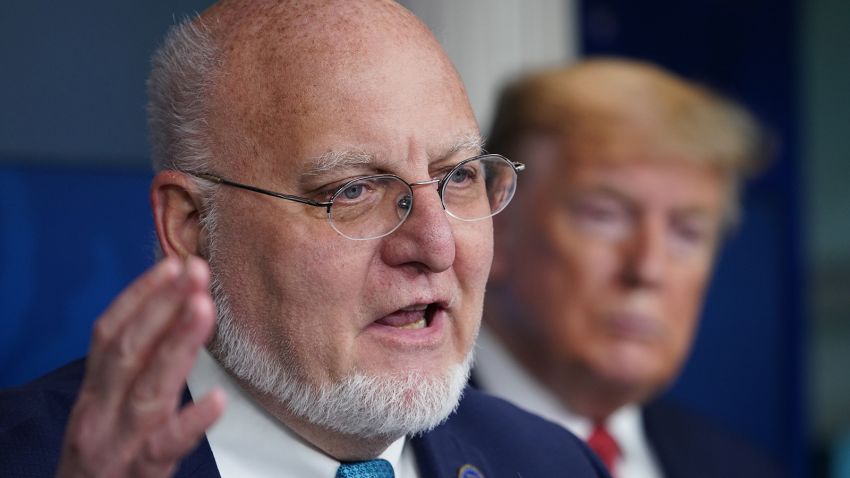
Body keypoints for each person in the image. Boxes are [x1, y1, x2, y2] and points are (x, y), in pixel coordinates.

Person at [0, 1, 612, 477]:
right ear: (190, 227)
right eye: (353, 191)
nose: (436, 245)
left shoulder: (554, 465)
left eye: (460, 178)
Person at [477, 58, 784, 478]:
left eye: (687, 233)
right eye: (604, 216)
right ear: (497, 227)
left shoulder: (742, 469)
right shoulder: (391, 447)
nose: (648, 268)